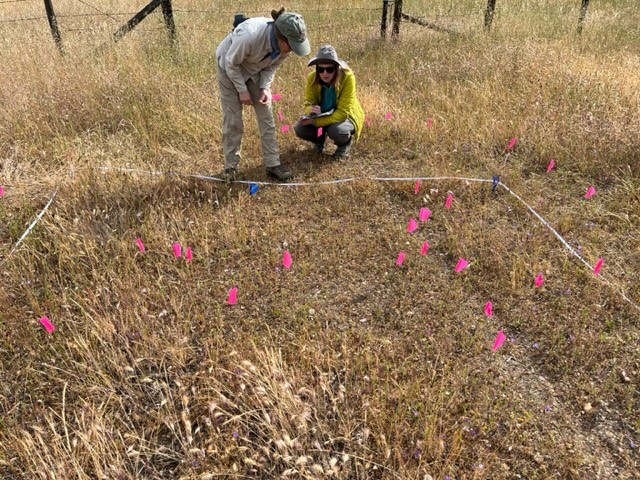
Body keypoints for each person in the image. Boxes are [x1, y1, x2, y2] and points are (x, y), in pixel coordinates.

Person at [216, 8, 310, 181]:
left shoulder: (285, 48)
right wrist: (242, 90)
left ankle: (273, 164)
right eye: (290, 45)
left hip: (256, 69)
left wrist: (264, 88)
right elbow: (231, 63)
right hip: (229, 66)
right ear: (279, 36)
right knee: (233, 119)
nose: (291, 51)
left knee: (267, 116)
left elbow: (271, 66)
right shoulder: (249, 36)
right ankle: (231, 167)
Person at [294, 45, 364, 158]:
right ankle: (320, 140)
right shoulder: (312, 78)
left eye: (329, 69)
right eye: (320, 69)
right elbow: (308, 103)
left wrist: (314, 122)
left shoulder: (347, 77)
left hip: (343, 117)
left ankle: (345, 143)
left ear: (336, 68)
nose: (325, 73)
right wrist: (310, 110)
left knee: (336, 130)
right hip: (322, 115)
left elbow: (342, 113)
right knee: (300, 129)